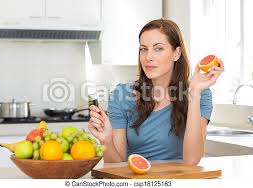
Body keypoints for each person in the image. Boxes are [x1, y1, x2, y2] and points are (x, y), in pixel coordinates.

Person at [88, 18, 224, 164]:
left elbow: (192, 160)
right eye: (143, 49)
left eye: (158, 48)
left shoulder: (200, 93)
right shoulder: (122, 95)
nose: (148, 57)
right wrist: (106, 141)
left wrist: (194, 93)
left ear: (176, 53)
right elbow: (116, 166)